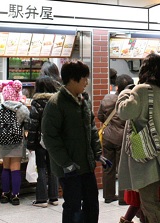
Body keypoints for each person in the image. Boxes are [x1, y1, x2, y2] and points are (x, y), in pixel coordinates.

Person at [41, 60, 111, 223]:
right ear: (72, 79)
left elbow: (91, 129)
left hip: (86, 165)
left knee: (92, 204)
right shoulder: (56, 103)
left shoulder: (83, 101)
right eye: (84, 78)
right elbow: (50, 137)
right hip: (68, 168)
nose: (87, 82)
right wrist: (66, 163)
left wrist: (98, 153)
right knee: (73, 206)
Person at [116, 53, 160, 223]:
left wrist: (124, 93)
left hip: (145, 157)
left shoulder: (140, 90)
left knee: (150, 205)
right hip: (158, 154)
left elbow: (124, 112)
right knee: (151, 203)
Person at [97, 74, 134, 204]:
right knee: (122, 168)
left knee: (108, 166)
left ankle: (108, 195)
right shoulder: (130, 99)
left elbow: (100, 115)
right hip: (123, 137)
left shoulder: (107, 98)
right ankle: (123, 198)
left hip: (108, 137)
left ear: (116, 86)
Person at [0, 80, 30, 205]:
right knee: (16, 168)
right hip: (17, 141)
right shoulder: (22, 108)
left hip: (3, 141)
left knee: (6, 167)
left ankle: (5, 194)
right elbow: (28, 122)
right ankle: (15, 195)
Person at [27, 75, 61, 207]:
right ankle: (54, 197)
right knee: (53, 168)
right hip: (55, 140)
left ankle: (41, 199)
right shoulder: (57, 101)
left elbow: (33, 125)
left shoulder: (36, 102)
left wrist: (30, 144)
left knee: (41, 167)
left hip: (40, 140)